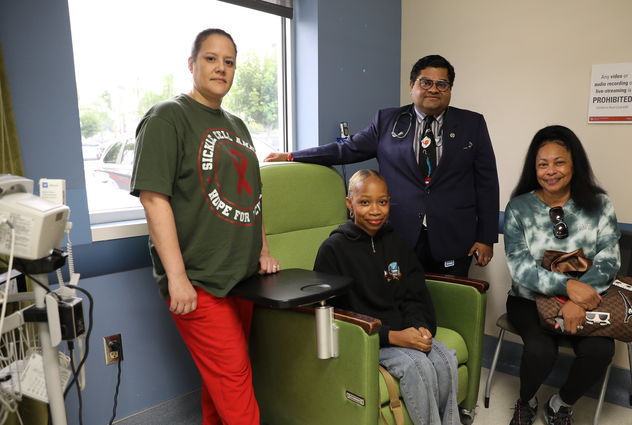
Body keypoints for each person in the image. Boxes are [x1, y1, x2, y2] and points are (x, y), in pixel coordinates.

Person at [130, 28, 279, 425]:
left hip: (242, 277)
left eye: (229, 61)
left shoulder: (237, 124)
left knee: (222, 383)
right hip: (199, 279)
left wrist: (262, 250)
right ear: (192, 63)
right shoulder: (168, 117)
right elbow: (153, 199)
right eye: (211, 58)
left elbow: (253, 197)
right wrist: (177, 278)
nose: (221, 68)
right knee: (235, 382)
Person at [266, 55, 499, 277]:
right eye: (426, 82)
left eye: (442, 84)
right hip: (400, 234)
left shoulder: (472, 124)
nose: (434, 89)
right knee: (401, 299)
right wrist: (291, 156)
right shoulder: (387, 121)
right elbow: (345, 149)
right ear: (412, 85)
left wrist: (486, 238)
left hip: (455, 237)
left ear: (449, 89)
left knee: (453, 306)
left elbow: (487, 183)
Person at [313, 170, 460, 425]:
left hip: (405, 329)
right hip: (370, 338)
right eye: (364, 202)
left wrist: (421, 327)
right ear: (349, 204)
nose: (375, 210)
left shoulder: (397, 243)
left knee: (445, 358)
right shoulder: (333, 250)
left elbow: (415, 294)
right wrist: (391, 336)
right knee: (419, 366)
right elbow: (334, 315)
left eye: (382, 202)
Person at [502, 125, 620, 425]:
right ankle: (525, 401)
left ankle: (561, 404)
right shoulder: (518, 207)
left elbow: (609, 259)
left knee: (600, 350)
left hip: (587, 298)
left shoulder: (599, 204)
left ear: (574, 165)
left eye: (559, 162)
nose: (550, 171)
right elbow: (520, 267)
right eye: (543, 164)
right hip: (529, 299)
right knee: (540, 351)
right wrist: (568, 286)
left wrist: (579, 300)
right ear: (534, 168)